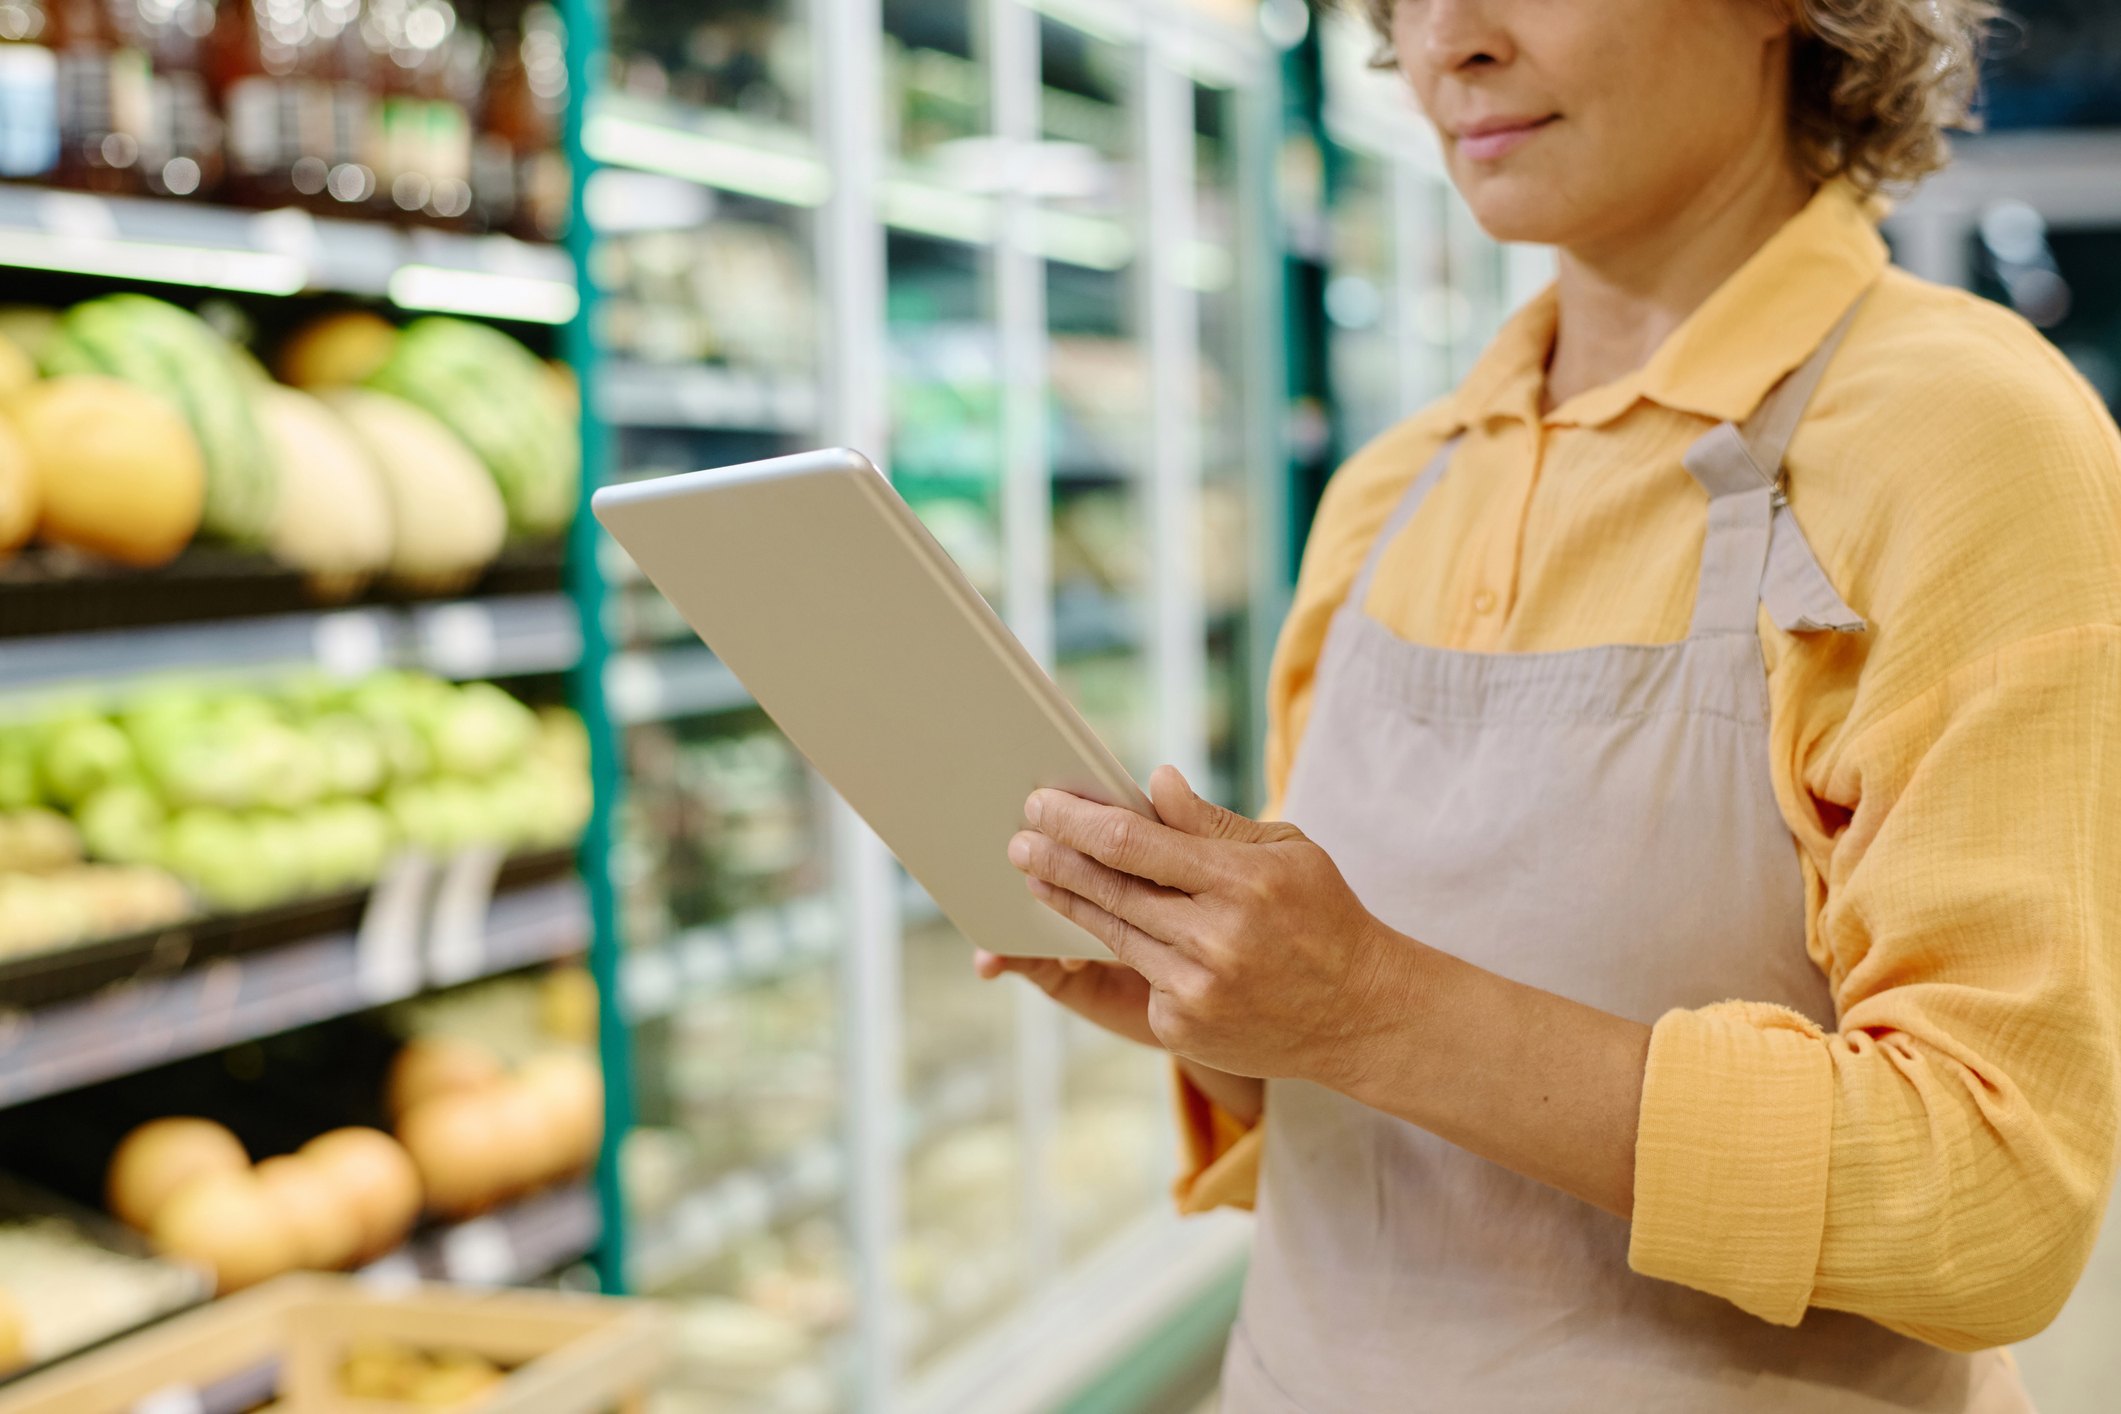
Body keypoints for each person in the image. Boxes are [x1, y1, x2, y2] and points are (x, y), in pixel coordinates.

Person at [976, 0, 2121, 1408]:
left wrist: (1368, 1006)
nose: (1444, 41)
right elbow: (1396, 1122)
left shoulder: (1961, 440)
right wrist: (1218, 995)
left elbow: (1998, 1204)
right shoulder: (1396, 490)